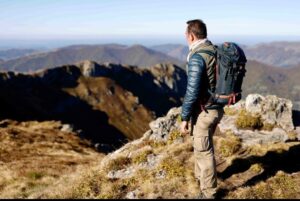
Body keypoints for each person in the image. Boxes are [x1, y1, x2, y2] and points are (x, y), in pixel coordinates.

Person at [180, 19, 224, 199]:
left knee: (205, 151)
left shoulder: (197, 57)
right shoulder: (214, 50)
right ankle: (201, 179)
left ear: (190, 35)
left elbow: (192, 91)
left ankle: (208, 193)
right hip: (217, 107)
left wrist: (184, 117)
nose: (185, 37)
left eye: (185, 34)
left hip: (205, 110)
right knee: (201, 145)